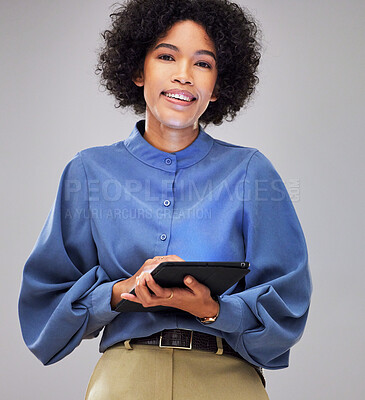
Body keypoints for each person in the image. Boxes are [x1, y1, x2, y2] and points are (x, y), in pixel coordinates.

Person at [18, 0, 312, 399]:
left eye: (203, 63)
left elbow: (288, 302)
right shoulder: (88, 172)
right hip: (125, 377)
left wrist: (214, 309)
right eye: (166, 56)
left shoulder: (251, 173)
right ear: (138, 71)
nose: (184, 75)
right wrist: (122, 291)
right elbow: (44, 307)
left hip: (226, 378)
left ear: (219, 85)